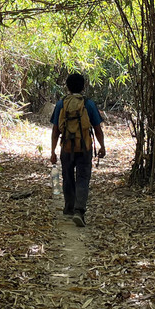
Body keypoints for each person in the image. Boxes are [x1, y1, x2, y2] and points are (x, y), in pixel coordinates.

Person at [49, 73, 106, 227]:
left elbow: (55, 130)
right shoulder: (89, 104)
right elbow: (97, 129)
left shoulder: (61, 104)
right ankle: (79, 211)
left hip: (66, 147)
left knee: (67, 176)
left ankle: (69, 207)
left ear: (67, 87)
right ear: (83, 86)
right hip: (85, 146)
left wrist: (53, 151)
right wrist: (102, 146)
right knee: (82, 178)